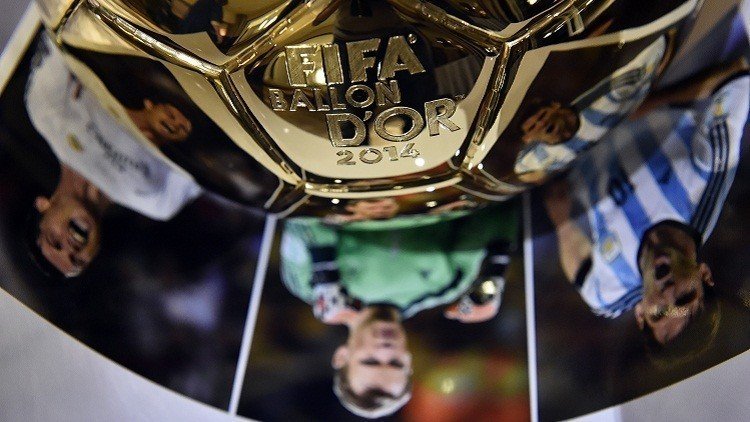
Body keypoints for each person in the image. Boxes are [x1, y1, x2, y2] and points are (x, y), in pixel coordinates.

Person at [543, 60, 749, 352]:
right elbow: (739, 76)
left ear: (641, 315)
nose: (667, 293)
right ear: (704, 275)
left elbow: (559, 213)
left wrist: (561, 214)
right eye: (684, 297)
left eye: (660, 312)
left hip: (562, 125)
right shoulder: (708, 177)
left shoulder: (606, 293)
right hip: (626, 72)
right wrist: (652, 103)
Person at [279, 204, 517, 418]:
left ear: (341, 356)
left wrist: (325, 272)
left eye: (370, 361)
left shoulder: (307, 286)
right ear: (409, 361)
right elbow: (495, 207)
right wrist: (494, 274)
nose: (385, 350)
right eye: (395, 363)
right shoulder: (447, 286)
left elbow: (296, 211)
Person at [24, 34, 202, 277]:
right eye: (77, 260)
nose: (71, 248)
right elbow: (213, 155)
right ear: (94, 253)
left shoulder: (45, 113)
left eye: (55, 241)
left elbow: (64, 27)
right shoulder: (157, 203)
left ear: (43, 205)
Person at [514, 36, 667, 182]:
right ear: (528, 138)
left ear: (555, 106)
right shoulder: (532, 162)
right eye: (533, 127)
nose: (542, 124)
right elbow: (527, 176)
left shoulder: (610, 94)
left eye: (542, 115)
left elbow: (656, 48)